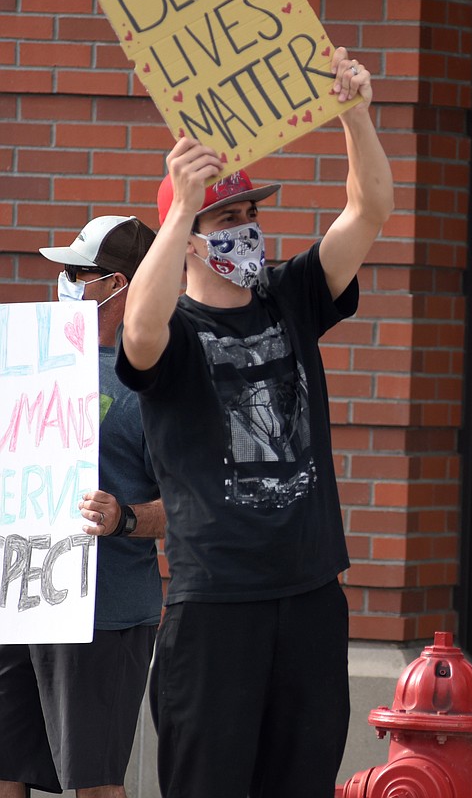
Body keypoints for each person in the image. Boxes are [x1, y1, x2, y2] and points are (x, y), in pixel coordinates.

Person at [114, 47, 393, 798]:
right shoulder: (172, 330)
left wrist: (356, 116)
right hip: (215, 606)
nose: (246, 229)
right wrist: (179, 208)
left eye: (250, 213)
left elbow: (369, 211)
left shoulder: (291, 295)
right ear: (192, 236)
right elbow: (138, 331)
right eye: (226, 217)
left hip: (309, 594)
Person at [0, 215, 164, 798]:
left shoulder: (153, 383)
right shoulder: (21, 364)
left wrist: (123, 517)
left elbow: (191, 504)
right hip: (21, 593)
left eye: (76, 272)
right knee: (6, 771)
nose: (63, 281)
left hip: (105, 613)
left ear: (116, 284)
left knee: (94, 783)